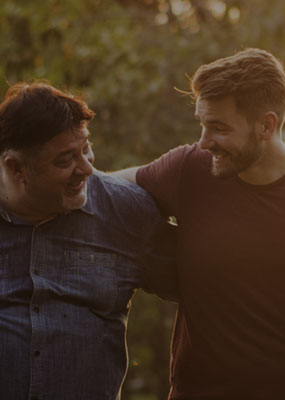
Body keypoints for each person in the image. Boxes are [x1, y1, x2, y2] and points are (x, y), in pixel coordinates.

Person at [110, 48, 285, 399]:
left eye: (219, 128)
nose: (204, 141)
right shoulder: (188, 169)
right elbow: (101, 191)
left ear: (266, 125)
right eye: (202, 123)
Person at [0, 82, 176, 400]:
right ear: (16, 168)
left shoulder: (126, 212)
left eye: (86, 148)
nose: (87, 167)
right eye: (65, 160)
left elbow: (210, 286)